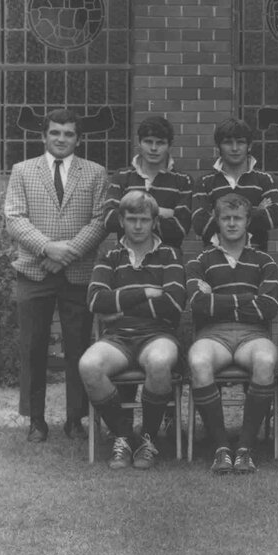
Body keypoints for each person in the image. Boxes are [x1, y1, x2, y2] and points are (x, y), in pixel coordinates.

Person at [4, 107, 108, 443]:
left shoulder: (95, 173)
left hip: (77, 274)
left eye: (68, 134)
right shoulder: (23, 170)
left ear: (78, 139)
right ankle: (36, 420)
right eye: (55, 133)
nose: (61, 139)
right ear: (43, 135)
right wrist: (48, 249)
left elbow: (100, 221)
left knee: (78, 346)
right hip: (34, 271)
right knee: (33, 346)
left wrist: (68, 253)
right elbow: (15, 218)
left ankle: (75, 419)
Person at [80, 191, 186, 469]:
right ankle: (124, 436)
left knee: (159, 361)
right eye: (131, 219)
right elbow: (95, 301)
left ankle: (148, 439)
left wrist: (121, 306)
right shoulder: (109, 255)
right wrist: (145, 291)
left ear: (155, 222)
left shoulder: (170, 255)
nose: (138, 226)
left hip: (158, 334)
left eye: (144, 220)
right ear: (121, 220)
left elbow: (173, 304)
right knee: (89, 365)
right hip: (117, 337)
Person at [186, 193, 278, 474]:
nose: (231, 223)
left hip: (253, 336)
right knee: (198, 361)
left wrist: (216, 299)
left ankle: (244, 449)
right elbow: (197, 305)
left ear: (248, 221)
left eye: (237, 218)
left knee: (266, 360)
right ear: (216, 220)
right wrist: (248, 300)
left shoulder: (264, 261)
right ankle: (221, 449)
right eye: (225, 218)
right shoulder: (200, 261)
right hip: (213, 335)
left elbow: (269, 307)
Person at [102, 115, 193, 252]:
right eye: (148, 142)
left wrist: (129, 215)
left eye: (160, 143)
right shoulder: (122, 176)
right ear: (139, 142)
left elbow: (180, 229)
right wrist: (163, 212)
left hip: (167, 259)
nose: (154, 148)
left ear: (170, 145)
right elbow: (109, 220)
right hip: (126, 258)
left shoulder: (183, 180)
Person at [192, 117, 278, 253]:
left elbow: (272, 219)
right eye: (228, 143)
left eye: (240, 142)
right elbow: (200, 225)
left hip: (256, 258)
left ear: (249, 146)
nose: (234, 148)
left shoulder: (266, 180)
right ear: (218, 146)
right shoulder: (204, 182)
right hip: (214, 260)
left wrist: (218, 215)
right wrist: (257, 211)